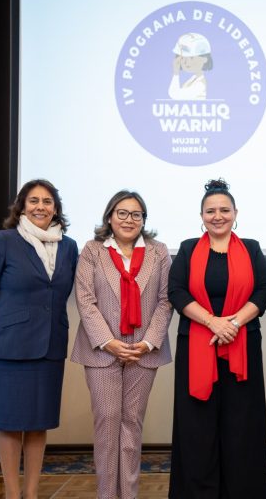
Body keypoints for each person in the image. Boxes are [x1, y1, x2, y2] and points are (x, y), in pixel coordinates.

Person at [0, 179, 78, 499]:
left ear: (56, 208)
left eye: (47, 202)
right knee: (9, 423)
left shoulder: (69, 246)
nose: (40, 207)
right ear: (21, 206)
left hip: (49, 347)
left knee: (38, 423)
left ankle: (31, 493)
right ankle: (12, 492)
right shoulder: (4, 240)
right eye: (33, 201)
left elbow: (60, 292)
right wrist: (5, 326)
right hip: (9, 349)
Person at [167, 179, 266, 499]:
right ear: (201, 216)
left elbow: (263, 290)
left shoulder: (252, 248)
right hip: (197, 345)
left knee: (241, 426)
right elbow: (176, 291)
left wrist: (234, 323)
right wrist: (213, 322)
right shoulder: (187, 249)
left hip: (243, 345)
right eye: (210, 211)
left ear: (235, 213)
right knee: (197, 427)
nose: (218, 216)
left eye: (224, 210)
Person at [70, 190, 173, 499]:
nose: (129, 220)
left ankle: (128, 494)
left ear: (144, 220)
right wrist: (109, 342)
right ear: (110, 217)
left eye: (136, 214)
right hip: (102, 351)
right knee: (107, 423)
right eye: (122, 213)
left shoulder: (159, 252)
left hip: (144, 352)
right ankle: (106, 495)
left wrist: (149, 342)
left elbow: (166, 301)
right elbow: (86, 301)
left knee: (131, 425)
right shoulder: (92, 250)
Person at [168, 32, 213, 100]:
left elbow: (175, 95)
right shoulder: (193, 79)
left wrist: (176, 73)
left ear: (204, 59)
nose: (186, 62)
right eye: (182, 58)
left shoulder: (200, 85)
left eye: (191, 58)